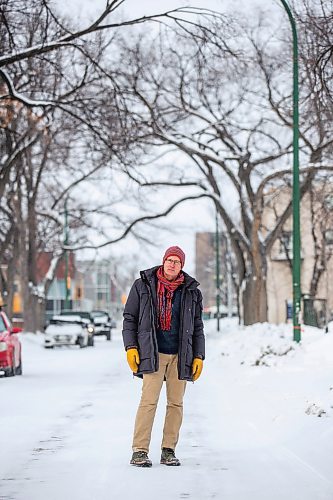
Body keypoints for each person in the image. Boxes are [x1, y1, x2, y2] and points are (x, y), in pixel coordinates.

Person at [122, 245, 205, 467]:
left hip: (180, 355)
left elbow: (197, 326)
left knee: (176, 404)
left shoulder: (191, 292)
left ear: (182, 266)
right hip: (153, 353)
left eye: (177, 261)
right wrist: (131, 347)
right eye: (169, 259)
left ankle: (168, 450)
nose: (172, 264)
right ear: (163, 261)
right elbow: (130, 318)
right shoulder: (143, 285)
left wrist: (199, 356)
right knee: (148, 402)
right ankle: (139, 451)